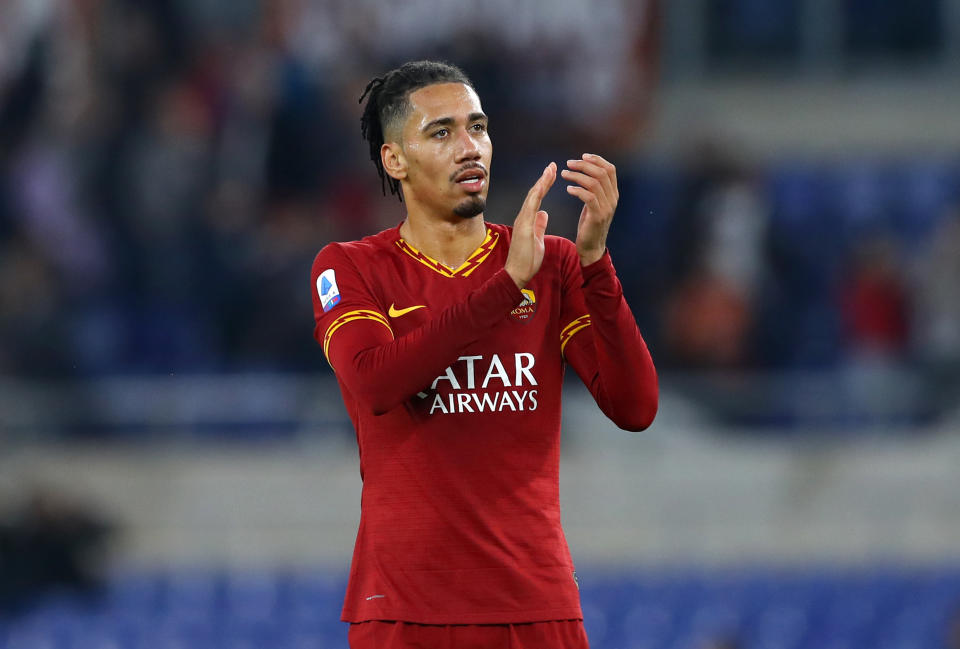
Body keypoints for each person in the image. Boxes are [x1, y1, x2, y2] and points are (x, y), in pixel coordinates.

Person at [310, 60, 658, 649]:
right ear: (395, 159)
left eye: (478, 127)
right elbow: (375, 383)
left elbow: (635, 407)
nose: (470, 147)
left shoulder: (553, 264)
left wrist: (596, 261)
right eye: (441, 132)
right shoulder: (350, 266)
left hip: (535, 606)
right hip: (404, 612)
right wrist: (504, 289)